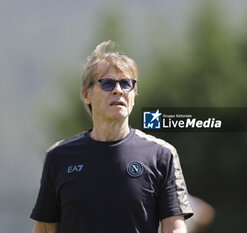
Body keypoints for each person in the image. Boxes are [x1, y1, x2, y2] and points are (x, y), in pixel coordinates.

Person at [30, 41, 193, 233]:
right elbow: (45, 229)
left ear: (134, 94)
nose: (119, 90)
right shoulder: (58, 156)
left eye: (126, 83)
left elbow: (174, 226)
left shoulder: (161, 155)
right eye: (107, 83)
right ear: (86, 95)